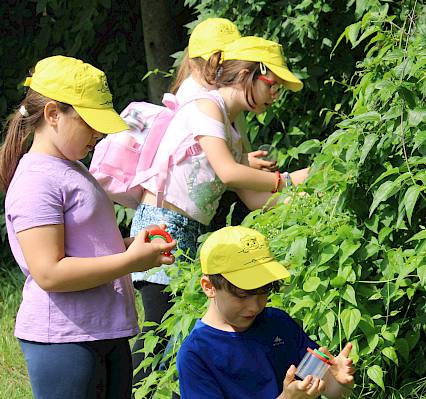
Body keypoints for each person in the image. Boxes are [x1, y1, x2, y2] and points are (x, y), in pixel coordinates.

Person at [128, 24, 308, 387]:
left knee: (179, 331)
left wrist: (305, 198)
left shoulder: (232, 123)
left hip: (192, 232)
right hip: (162, 226)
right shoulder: (204, 106)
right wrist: (291, 180)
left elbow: (254, 197)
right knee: (159, 339)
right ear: (247, 73)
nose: (275, 96)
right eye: (272, 84)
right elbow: (228, 173)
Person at [0, 55, 177, 399]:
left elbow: (86, 247)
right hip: (64, 339)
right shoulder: (37, 180)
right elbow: (49, 272)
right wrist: (131, 261)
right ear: (52, 114)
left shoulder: (71, 167)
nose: (98, 133)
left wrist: (131, 244)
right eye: (89, 122)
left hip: (104, 330)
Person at [176, 226, 355, 398]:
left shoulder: (278, 323)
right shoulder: (196, 354)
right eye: (242, 295)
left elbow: (332, 389)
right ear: (209, 287)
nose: (254, 306)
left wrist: (340, 382)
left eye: (263, 292)